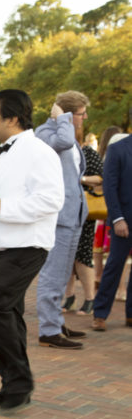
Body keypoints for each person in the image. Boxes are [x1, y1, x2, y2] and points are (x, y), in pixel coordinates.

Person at [0, 90, 64, 411]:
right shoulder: (2, 153)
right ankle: (12, 383)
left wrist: (4, 206)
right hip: (2, 245)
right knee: (8, 313)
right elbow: (2, 196)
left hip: (26, 245)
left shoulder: (39, 152)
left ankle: (20, 381)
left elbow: (52, 199)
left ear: (12, 119)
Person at [34, 92, 90, 348]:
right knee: (53, 272)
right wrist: (62, 119)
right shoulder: (46, 133)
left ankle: (55, 321)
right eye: (80, 113)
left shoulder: (63, 132)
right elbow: (64, 142)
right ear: (67, 113)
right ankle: (48, 330)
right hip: (58, 215)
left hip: (74, 214)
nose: (85, 117)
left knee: (64, 272)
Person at [91, 133, 132, 331]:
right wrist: (117, 218)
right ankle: (99, 313)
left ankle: (130, 314)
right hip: (123, 219)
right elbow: (109, 186)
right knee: (114, 265)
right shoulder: (117, 149)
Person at [61, 137, 104, 315]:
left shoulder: (87, 153)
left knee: (82, 255)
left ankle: (90, 299)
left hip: (83, 210)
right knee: (67, 256)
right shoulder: (58, 154)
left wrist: (79, 178)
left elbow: (99, 178)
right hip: (64, 210)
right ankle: (69, 297)